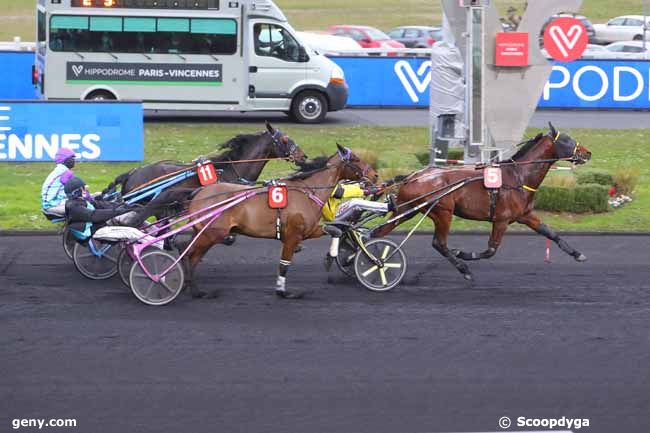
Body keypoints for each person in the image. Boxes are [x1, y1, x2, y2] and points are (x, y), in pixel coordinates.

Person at [322, 181, 395, 270]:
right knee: (355, 203)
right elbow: (341, 192)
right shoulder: (324, 184)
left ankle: (380, 208)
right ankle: (387, 207)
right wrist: (365, 191)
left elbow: (345, 186)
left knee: (357, 203)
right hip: (332, 218)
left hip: (334, 212)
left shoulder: (328, 181)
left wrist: (368, 187)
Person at [64, 176, 140, 242]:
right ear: (77, 192)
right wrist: (120, 211)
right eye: (83, 189)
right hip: (91, 231)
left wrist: (124, 206)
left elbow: (101, 205)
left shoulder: (80, 201)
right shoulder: (74, 207)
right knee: (133, 233)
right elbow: (94, 215)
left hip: (96, 225)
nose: (86, 190)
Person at [41, 147, 76, 216]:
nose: (74, 161)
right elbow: (74, 187)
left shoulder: (59, 170)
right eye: (72, 158)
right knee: (83, 205)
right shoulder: (65, 172)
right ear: (65, 160)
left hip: (49, 204)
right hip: (53, 205)